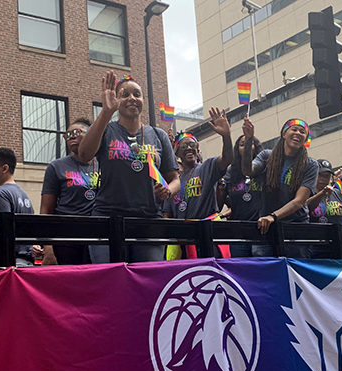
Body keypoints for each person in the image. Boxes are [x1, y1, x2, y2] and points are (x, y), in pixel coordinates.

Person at [77, 72, 181, 263]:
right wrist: (106, 112)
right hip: (108, 219)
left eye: (137, 94)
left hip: (149, 221)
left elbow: (175, 179)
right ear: (116, 99)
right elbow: (84, 155)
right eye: (124, 94)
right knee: (109, 281)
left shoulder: (158, 135)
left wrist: (168, 190)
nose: (132, 98)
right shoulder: (106, 130)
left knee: (147, 284)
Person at [241, 116, 319, 258]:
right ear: (284, 133)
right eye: (294, 129)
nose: (298, 133)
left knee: (297, 271)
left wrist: (273, 216)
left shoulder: (311, 165)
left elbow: (299, 201)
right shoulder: (267, 156)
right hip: (265, 225)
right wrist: (248, 140)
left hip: (296, 227)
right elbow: (247, 170)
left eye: (302, 132)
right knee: (263, 269)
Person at [40, 118, 98, 265]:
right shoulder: (56, 167)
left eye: (76, 132)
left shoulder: (104, 164)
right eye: (67, 135)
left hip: (97, 238)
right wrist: (48, 250)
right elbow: (46, 211)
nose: (71, 136)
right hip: (66, 239)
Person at [164, 108, 232, 221]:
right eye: (184, 146)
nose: (189, 148)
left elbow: (227, 158)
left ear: (198, 150)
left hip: (207, 229)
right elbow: (167, 213)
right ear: (177, 152)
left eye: (193, 145)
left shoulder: (207, 167)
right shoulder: (173, 180)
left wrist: (226, 136)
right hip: (183, 233)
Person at [216, 125, 265, 257]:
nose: (246, 147)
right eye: (242, 144)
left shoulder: (264, 169)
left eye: (250, 143)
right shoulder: (230, 172)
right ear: (237, 149)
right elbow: (219, 203)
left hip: (261, 229)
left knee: (261, 266)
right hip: (238, 231)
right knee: (241, 268)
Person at [0, 148, 35, 267]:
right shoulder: (24, 195)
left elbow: (1, 231)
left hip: (5, 263)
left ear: (4, 168)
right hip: (25, 262)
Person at [307, 159, 342, 258]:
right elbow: (303, 207)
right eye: (319, 175)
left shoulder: (340, 194)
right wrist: (321, 194)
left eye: (327, 176)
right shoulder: (306, 194)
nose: (323, 179)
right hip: (318, 252)